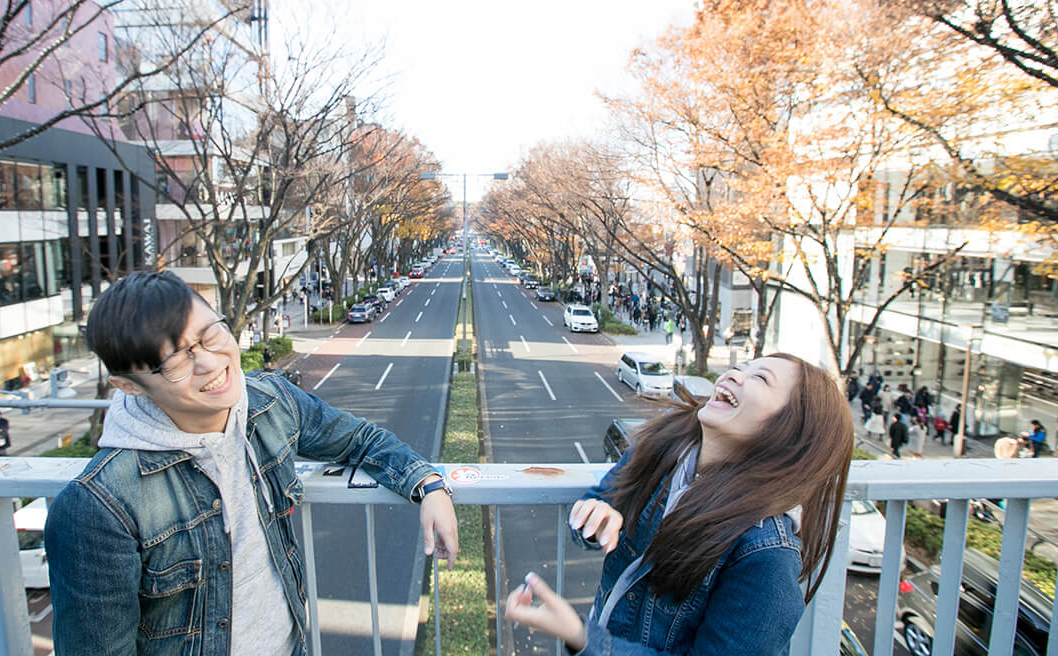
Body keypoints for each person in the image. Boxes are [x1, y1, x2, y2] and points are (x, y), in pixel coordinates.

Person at [46, 271, 459, 656]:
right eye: (175, 361)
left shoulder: (269, 402)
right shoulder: (97, 509)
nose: (209, 363)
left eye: (211, 335)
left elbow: (359, 439)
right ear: (128, 387)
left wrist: (428, 484)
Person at [504, 355, 852, 655]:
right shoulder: (665, 448)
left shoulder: (767, 556)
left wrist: (583, 637)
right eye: (740, 366)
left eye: (760, 378)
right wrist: (596, 518)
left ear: (793, 432)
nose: (732, 373)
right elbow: (601, 499)